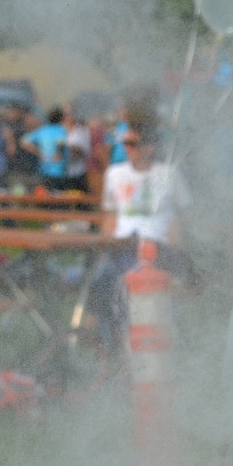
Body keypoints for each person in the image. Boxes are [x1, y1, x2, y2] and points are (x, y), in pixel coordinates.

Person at [87, 113, 193, 353]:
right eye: (125, 143)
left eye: (133, 144)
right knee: (102, 283)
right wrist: (104, 248)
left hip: (159, 249)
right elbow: (111, 216)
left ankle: (148, 346)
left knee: (133, 289)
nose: (127, 149)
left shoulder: (168, 174)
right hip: (123, 248)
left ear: (150, 147)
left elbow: (184, 215)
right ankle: (104, 347)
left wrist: (179, 246)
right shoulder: (115, 174)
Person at [19, 107, 69, 192]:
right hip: (58, 170)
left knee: (44, 194)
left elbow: (23, 142)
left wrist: (38, 152)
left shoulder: (42, 130)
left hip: (43, 168)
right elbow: (60, 143)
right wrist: (58, 154)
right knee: (57, 196)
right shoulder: (61, 130)